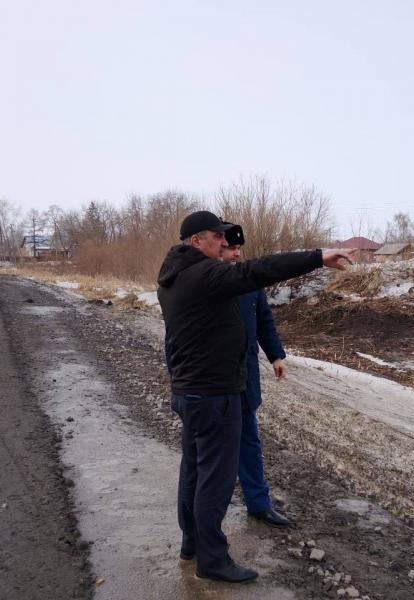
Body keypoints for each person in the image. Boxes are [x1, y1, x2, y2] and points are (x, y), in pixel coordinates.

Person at [157, 210, 352, 583]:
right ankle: (213, 560)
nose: (224, 244)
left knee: (193, 472)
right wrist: (316, 257)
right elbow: (258, 271)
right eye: (217, 237)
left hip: (192, 392)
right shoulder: (204, 274)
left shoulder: (174, 276)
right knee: (215, 480)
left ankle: (192, 544)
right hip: (215, 394)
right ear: (197, 241)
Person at [220, 224, 291, 528]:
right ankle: (209, 512)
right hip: (215, 380)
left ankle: (258, 504)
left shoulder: (249, 280)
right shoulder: (203, 282)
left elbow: (263, 319)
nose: (236, 254)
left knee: (249, 439)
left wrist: (275, 355)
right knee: (213, 448)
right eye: (230, 248)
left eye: (239, 248)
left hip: (246, 374)